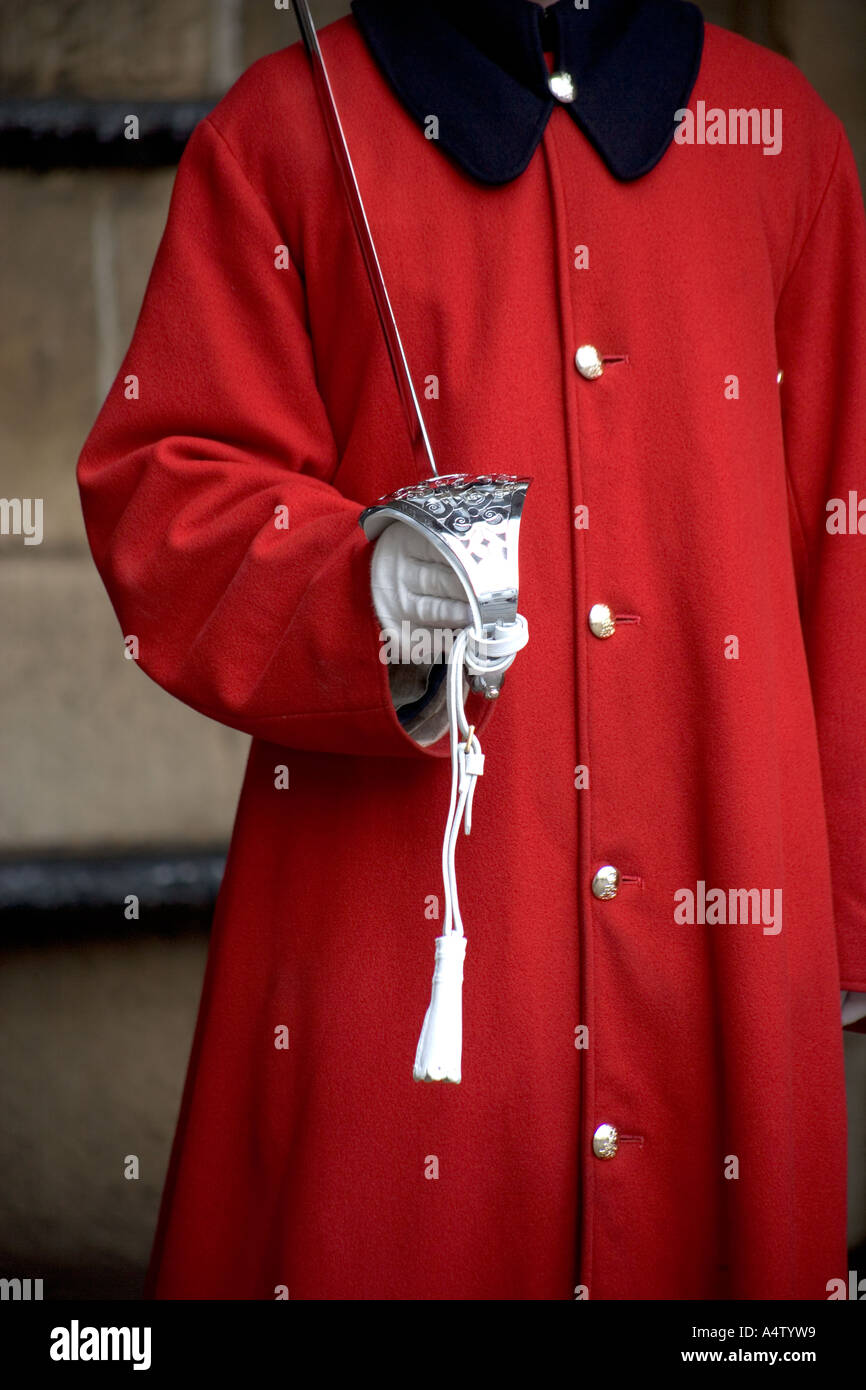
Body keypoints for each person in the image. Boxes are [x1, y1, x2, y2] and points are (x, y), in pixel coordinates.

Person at [77, 0, 866, 1300]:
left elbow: (843, 548)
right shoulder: (283, 129)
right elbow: (166, 486)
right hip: (399, 932)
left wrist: (837, 922)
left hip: (717, 901)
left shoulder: (781, 137)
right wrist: (360, 583)